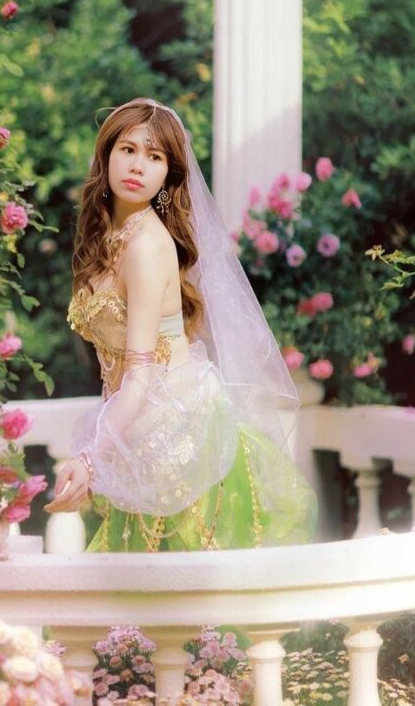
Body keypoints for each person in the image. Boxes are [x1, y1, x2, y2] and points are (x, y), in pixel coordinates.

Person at [44, 98, 317, 552]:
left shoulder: (146, 246)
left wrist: (91, 461)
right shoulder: (110, 236)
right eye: (128, 149)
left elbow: (139, 376)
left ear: (167, 176)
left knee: (179, 581)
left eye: (154, 157)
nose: (138, 166)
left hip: (178, 439)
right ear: (106, 155)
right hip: (137, 431)